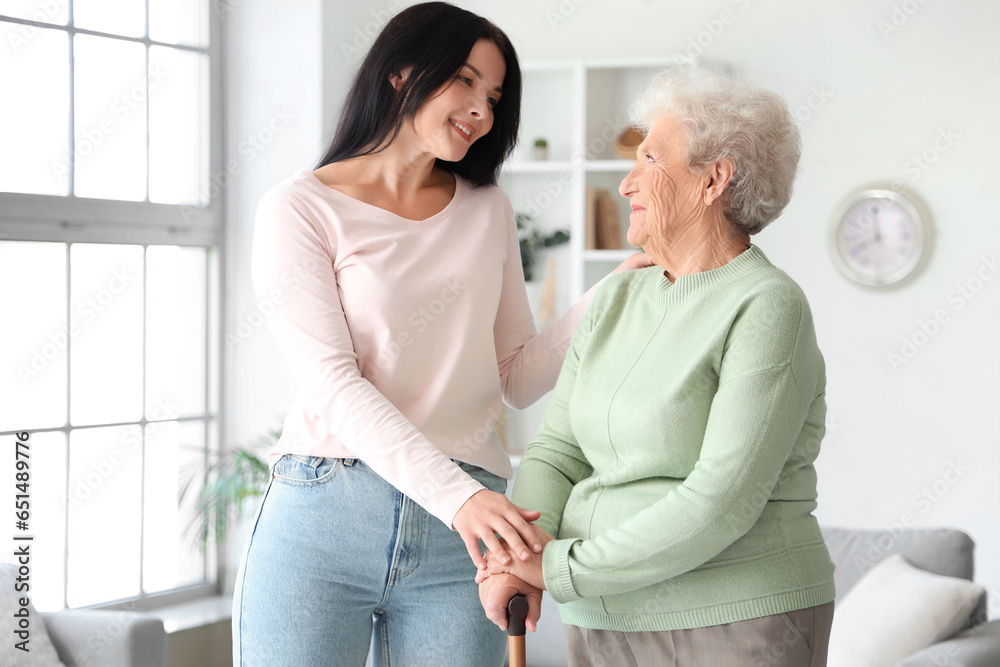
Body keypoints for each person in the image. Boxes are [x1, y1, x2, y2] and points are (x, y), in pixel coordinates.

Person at [231, 3, 649, 665]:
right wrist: (463, 498)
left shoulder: (488, 209)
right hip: (327, 518)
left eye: (495, 94)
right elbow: (334, 384)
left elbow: (516, 374)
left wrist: (614, 289)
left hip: (463, 534)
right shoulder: (300, 208)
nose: (482, 108)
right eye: (464, 80)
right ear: (400, 72)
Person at [478, 66, 837, 667]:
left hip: (736, 616)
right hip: (602, 616)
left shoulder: (768, 305)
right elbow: (556, 453)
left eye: (649, 159)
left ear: (713, 180)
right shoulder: (617, 297)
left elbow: (721, 499)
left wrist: (555, 566)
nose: (626, 184)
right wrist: (523, 554)